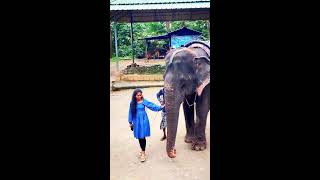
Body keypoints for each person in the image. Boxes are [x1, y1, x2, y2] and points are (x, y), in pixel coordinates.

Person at [128, 88, 164, 162]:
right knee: (139, 136)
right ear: (135, 96)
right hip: (136, 121)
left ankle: (143, 153)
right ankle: (142, 150)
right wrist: (130, 122)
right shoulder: (132, 103)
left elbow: (151, 105)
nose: (140, 96)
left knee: (142, 137)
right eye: (138, 95)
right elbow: (130, 112)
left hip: (143, 120)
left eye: (141, 95)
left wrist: (160, 107)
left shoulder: (144, 101)